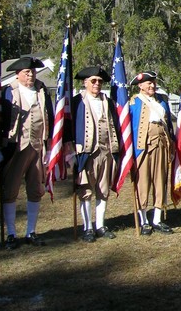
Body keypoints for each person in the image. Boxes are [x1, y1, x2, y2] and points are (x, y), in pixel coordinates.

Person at [0, 57, 54, 250]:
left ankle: (31, 231)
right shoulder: (9, 92)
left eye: (32, 71)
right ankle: (11, 233)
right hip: (16, 146)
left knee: (35, 189)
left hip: (38, 146)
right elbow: (3, 118)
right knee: (10, 190)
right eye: (26, 72)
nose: (30, 75)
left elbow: (50, 114)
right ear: (17, 74)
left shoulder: (41, 90)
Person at [69, 66, 122, 242]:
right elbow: (69, 128)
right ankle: (88, 227)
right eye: (93, 81)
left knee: (103, 189)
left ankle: (100, 225)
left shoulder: (108, 102)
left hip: (106, 150)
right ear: (85, 83)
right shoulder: (77, 102)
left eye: (99, 81)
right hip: (86, 152)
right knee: (85, 190)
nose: (97, 84)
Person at [129, 71, 175, 235]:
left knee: (160, 180)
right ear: (140, 86)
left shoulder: (162, 101)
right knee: (143, 182)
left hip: (161, 144)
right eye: (148, 83)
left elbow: (169, 124)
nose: (152, 86)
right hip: (143, 147)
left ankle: (157, 219)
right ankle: (143, 220)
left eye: (153, 83)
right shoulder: (134, 102)